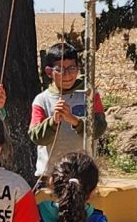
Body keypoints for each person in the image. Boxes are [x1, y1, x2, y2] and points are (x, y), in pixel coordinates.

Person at [25, 40, 103, 176]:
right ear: (49, 72)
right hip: (50, 175)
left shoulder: (90, 95)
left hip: (83, 174)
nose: (67, 75)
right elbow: (36, 137)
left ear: (78, 68)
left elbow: (99, 129)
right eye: (60, 69)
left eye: (72, 68)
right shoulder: (42, 100)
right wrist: (53, 122)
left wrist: (75, 121)